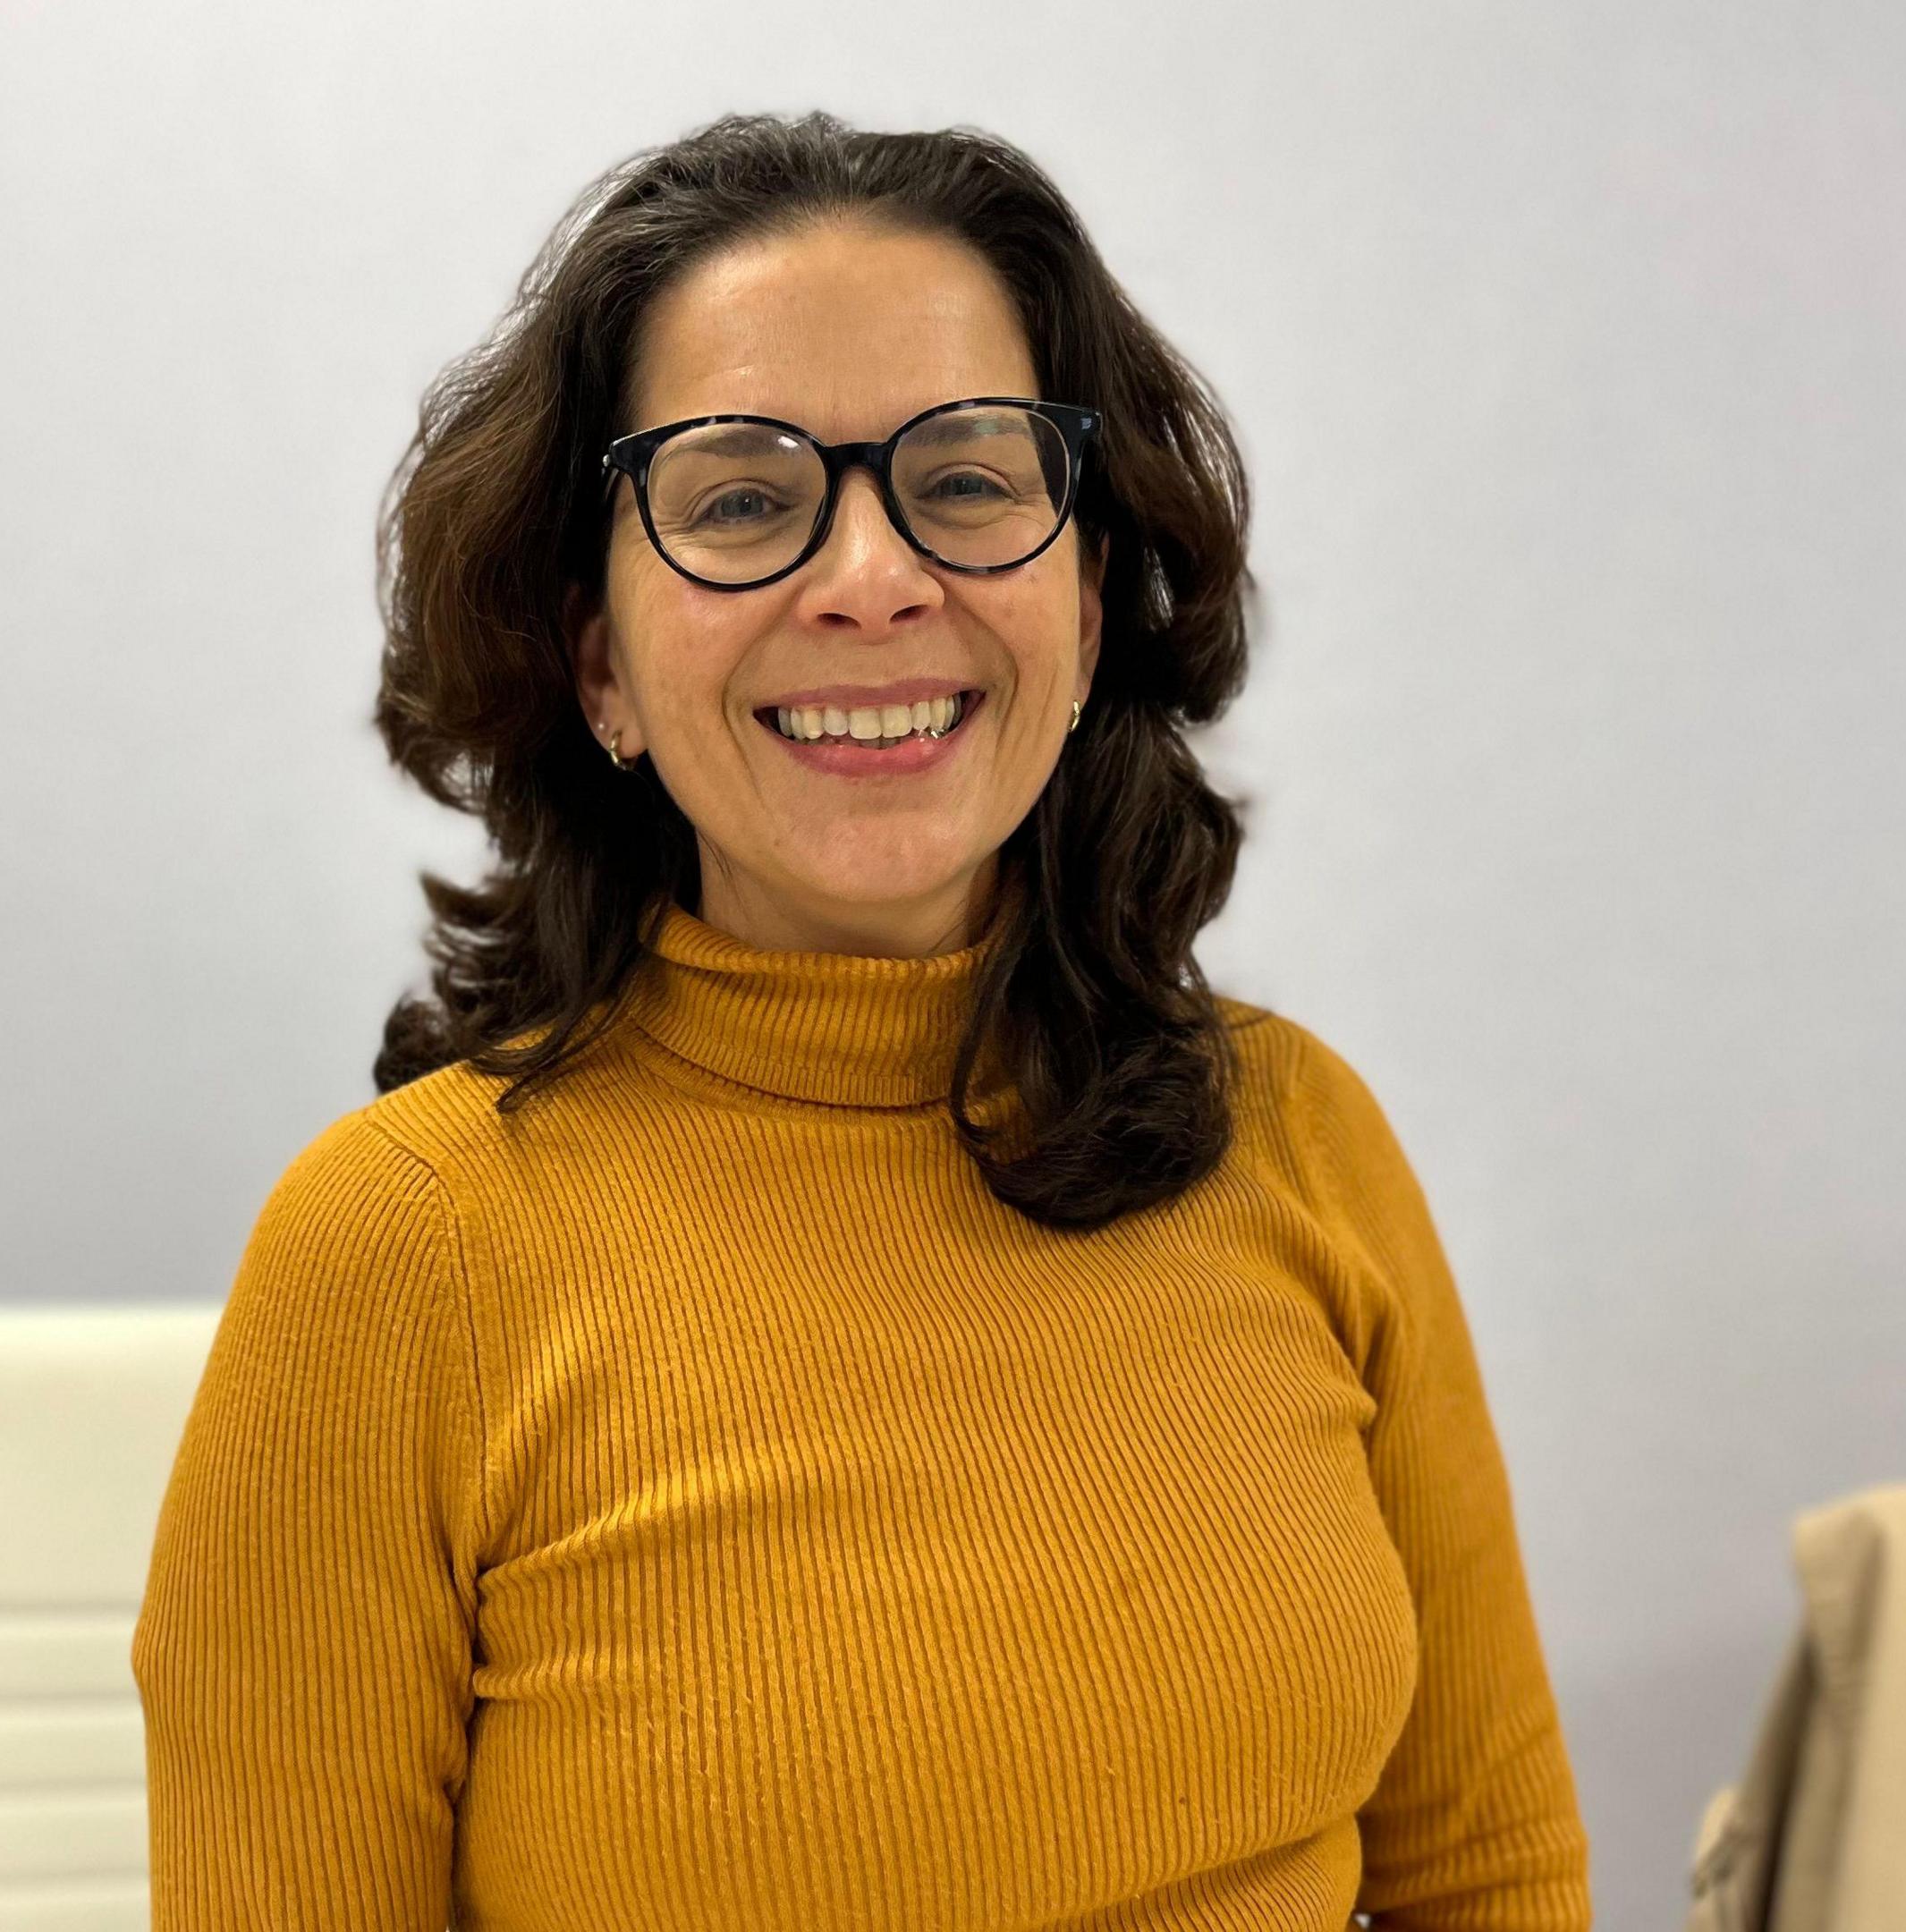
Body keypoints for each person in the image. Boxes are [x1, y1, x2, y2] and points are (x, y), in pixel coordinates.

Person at [132, 110, 1591, 1931]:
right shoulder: (398, 1255)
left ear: (1083, 592)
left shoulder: (1299, 1139)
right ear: (598, 662)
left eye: (968, 481)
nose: (871, 575)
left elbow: (1491, 1874)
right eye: (742, 499)